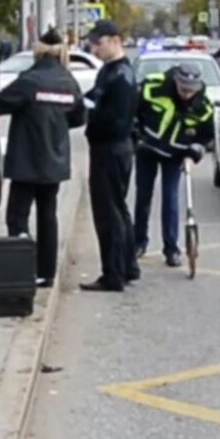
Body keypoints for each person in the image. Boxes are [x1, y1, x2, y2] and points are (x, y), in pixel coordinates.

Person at [0, 29, 85, 287]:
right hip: (54, 160)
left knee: (18, 214)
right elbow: (79, 117)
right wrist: (55, 126)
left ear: (37, 52)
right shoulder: (68, 81)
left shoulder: (30, 81)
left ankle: (21, 268)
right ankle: (47, 272)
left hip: (27, 160)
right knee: (48, 215)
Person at [133, 63, 213, 268]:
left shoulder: (203, 107)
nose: (186, 93)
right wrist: (136, 135)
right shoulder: (152, 87)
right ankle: (138, 242)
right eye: (183, 88)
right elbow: (133, 112)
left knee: (171, 199)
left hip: (175, 155)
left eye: (191, 90)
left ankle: (171, 249)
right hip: (147, 149)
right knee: (143, 197)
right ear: (175, 81)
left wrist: (193, 154)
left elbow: (205, 136)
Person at [81, 20, 139, 293]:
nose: (94, 48)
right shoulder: (110, 71)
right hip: (112, 148)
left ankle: (113, 274)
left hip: (111, 149)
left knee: (108, 213)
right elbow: (94, 98)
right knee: (118, 209)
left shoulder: (122, 76)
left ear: (115, 40)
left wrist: (91, 119)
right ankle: (127, 266)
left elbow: (114, 119)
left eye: (98, 42)